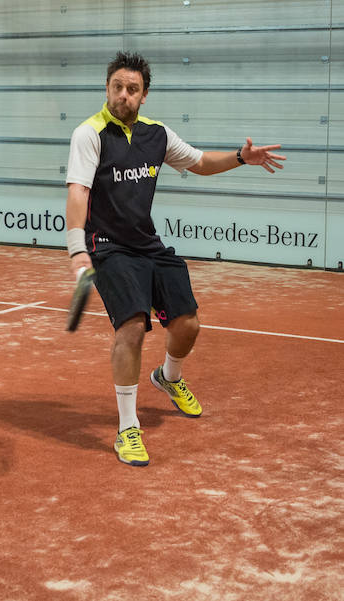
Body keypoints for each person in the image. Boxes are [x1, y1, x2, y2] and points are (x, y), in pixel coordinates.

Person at [65, 52, 285, 466]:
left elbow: (199, 162)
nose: (123, 95)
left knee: (188, 325)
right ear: (107, 89)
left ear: (144, 95)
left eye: (132, 89)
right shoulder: (89, 134)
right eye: (117, 87)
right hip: (108, 246)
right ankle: (128, 428)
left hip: (147, 244)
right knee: (132, 327)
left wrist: (241, 158)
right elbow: (78, 191)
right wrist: (78, 248)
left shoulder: (157, 134)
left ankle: (168, 378)